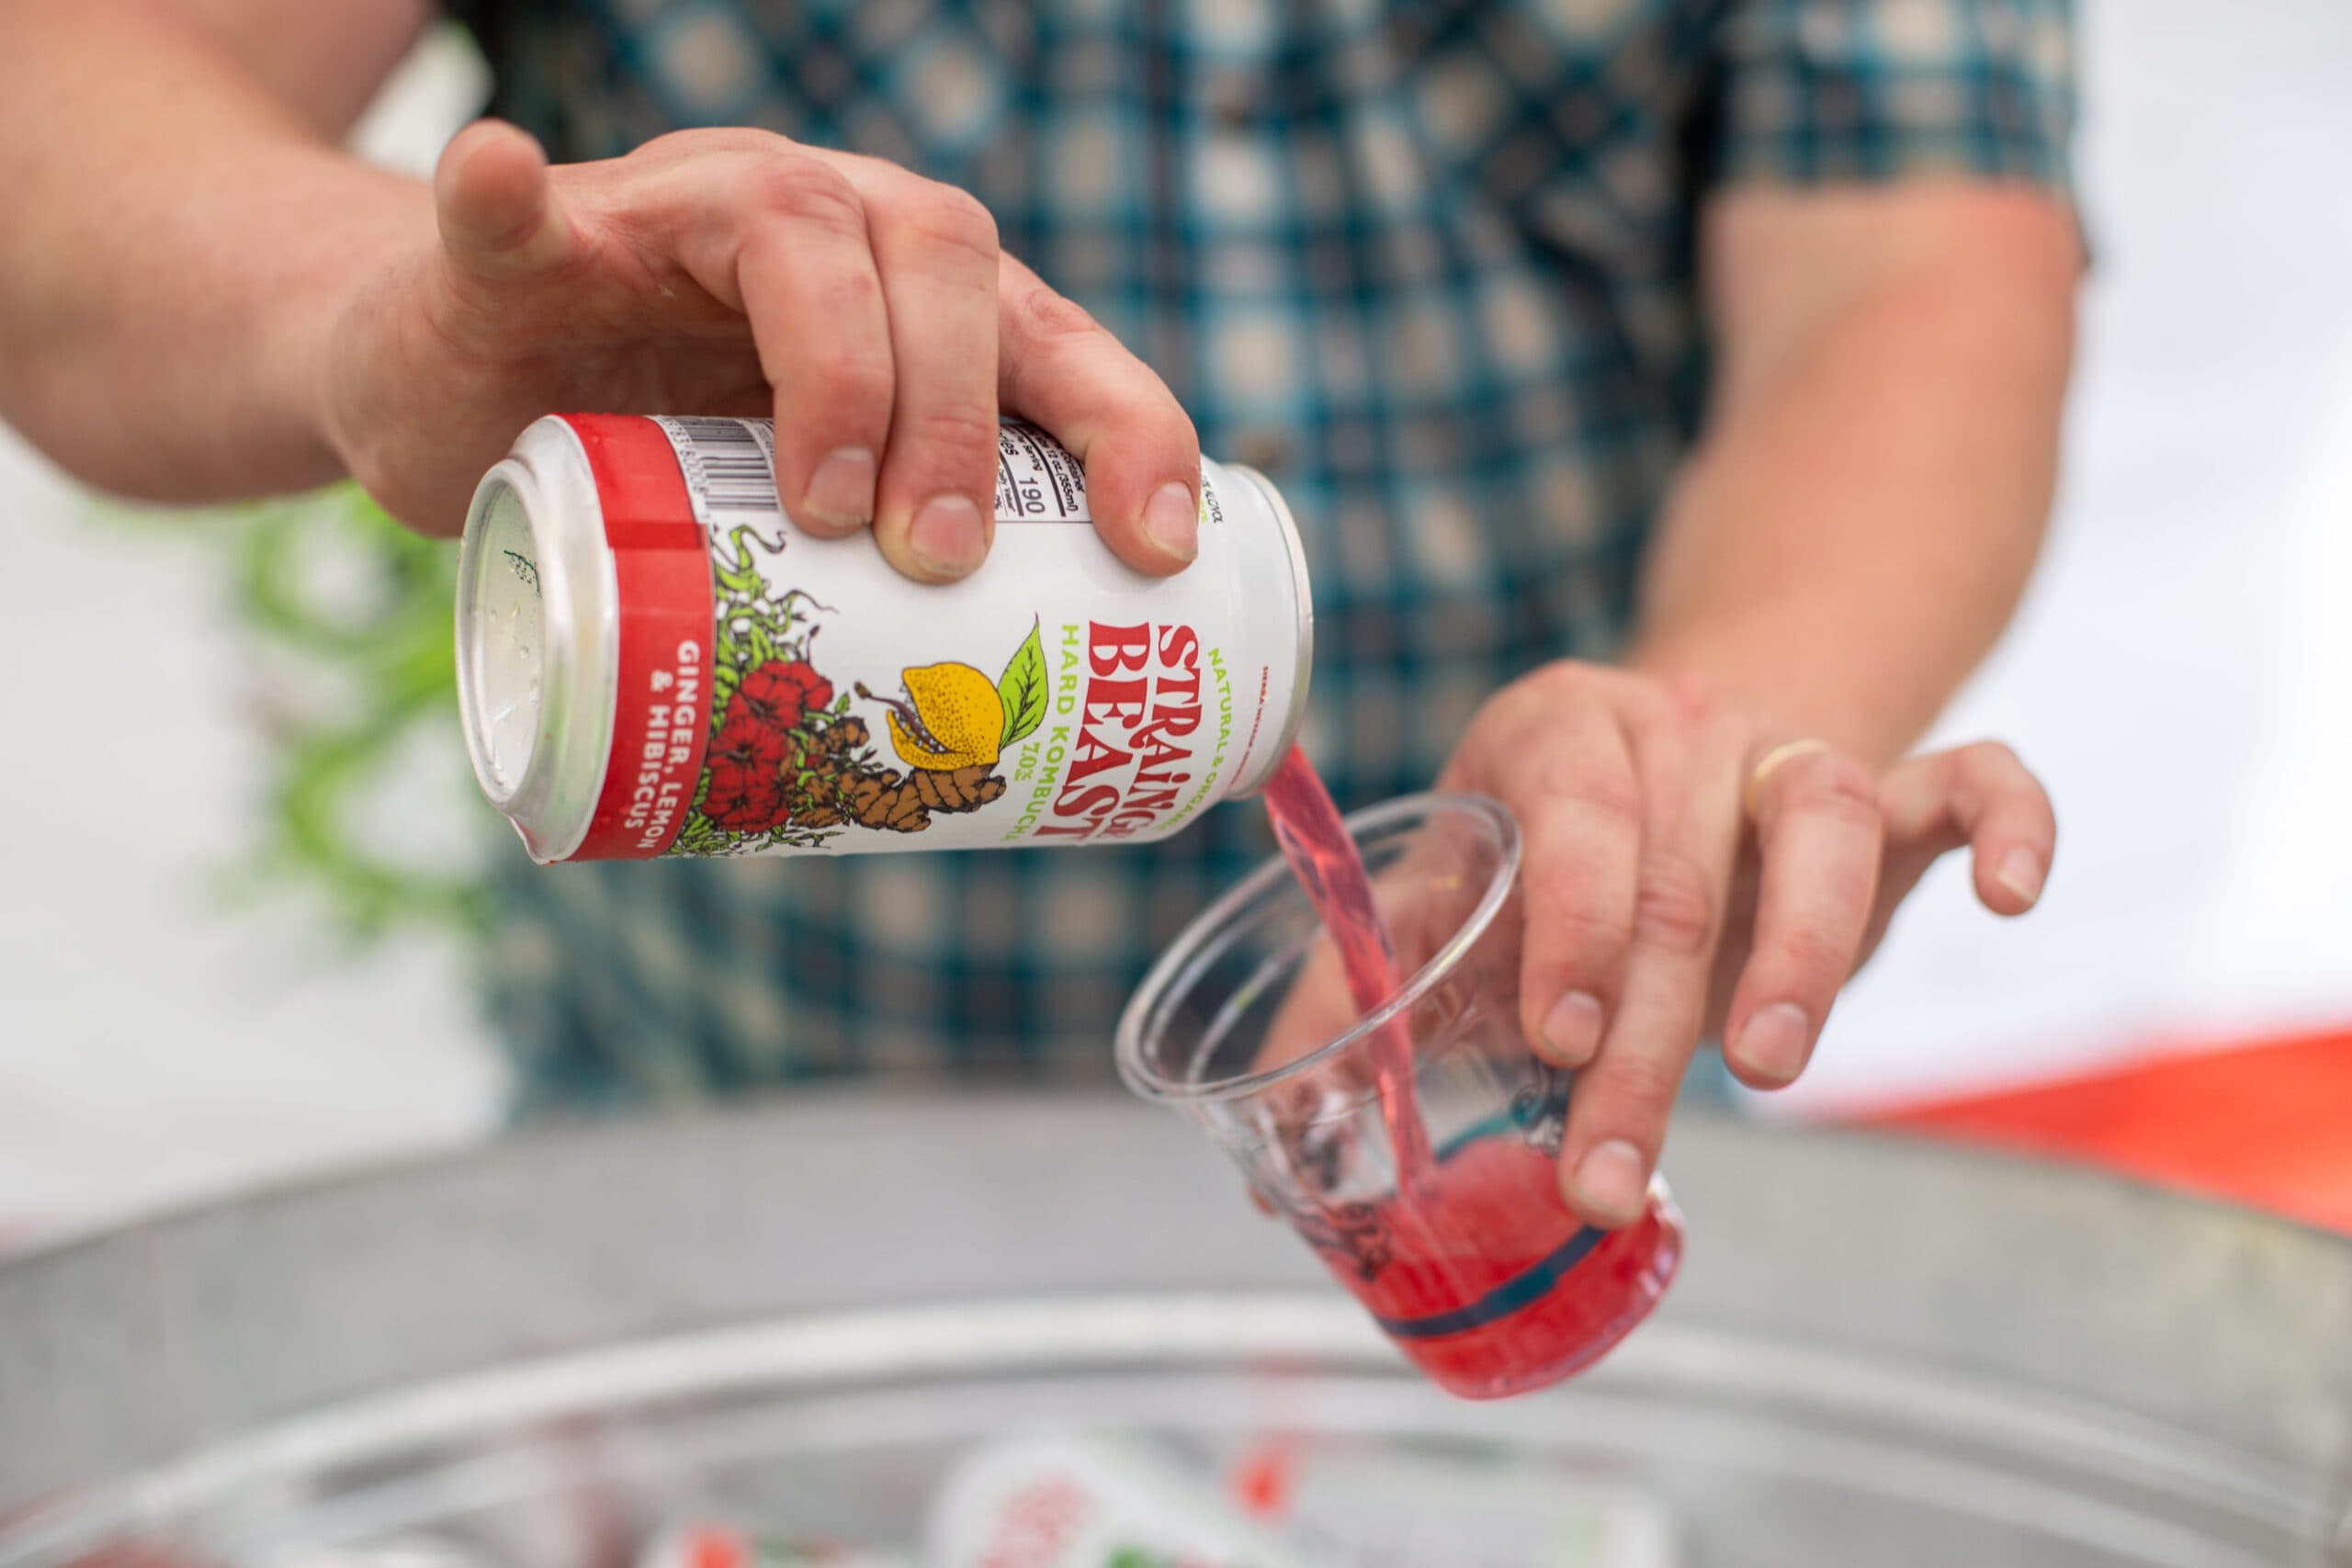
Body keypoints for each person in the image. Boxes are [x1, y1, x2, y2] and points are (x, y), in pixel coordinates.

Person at [0, 0, 2072, 1230]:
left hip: (1501, 1108)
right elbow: (73, 106)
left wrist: (1691, 726)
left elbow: (1910, 270)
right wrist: (378, 320)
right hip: (728, 1206)